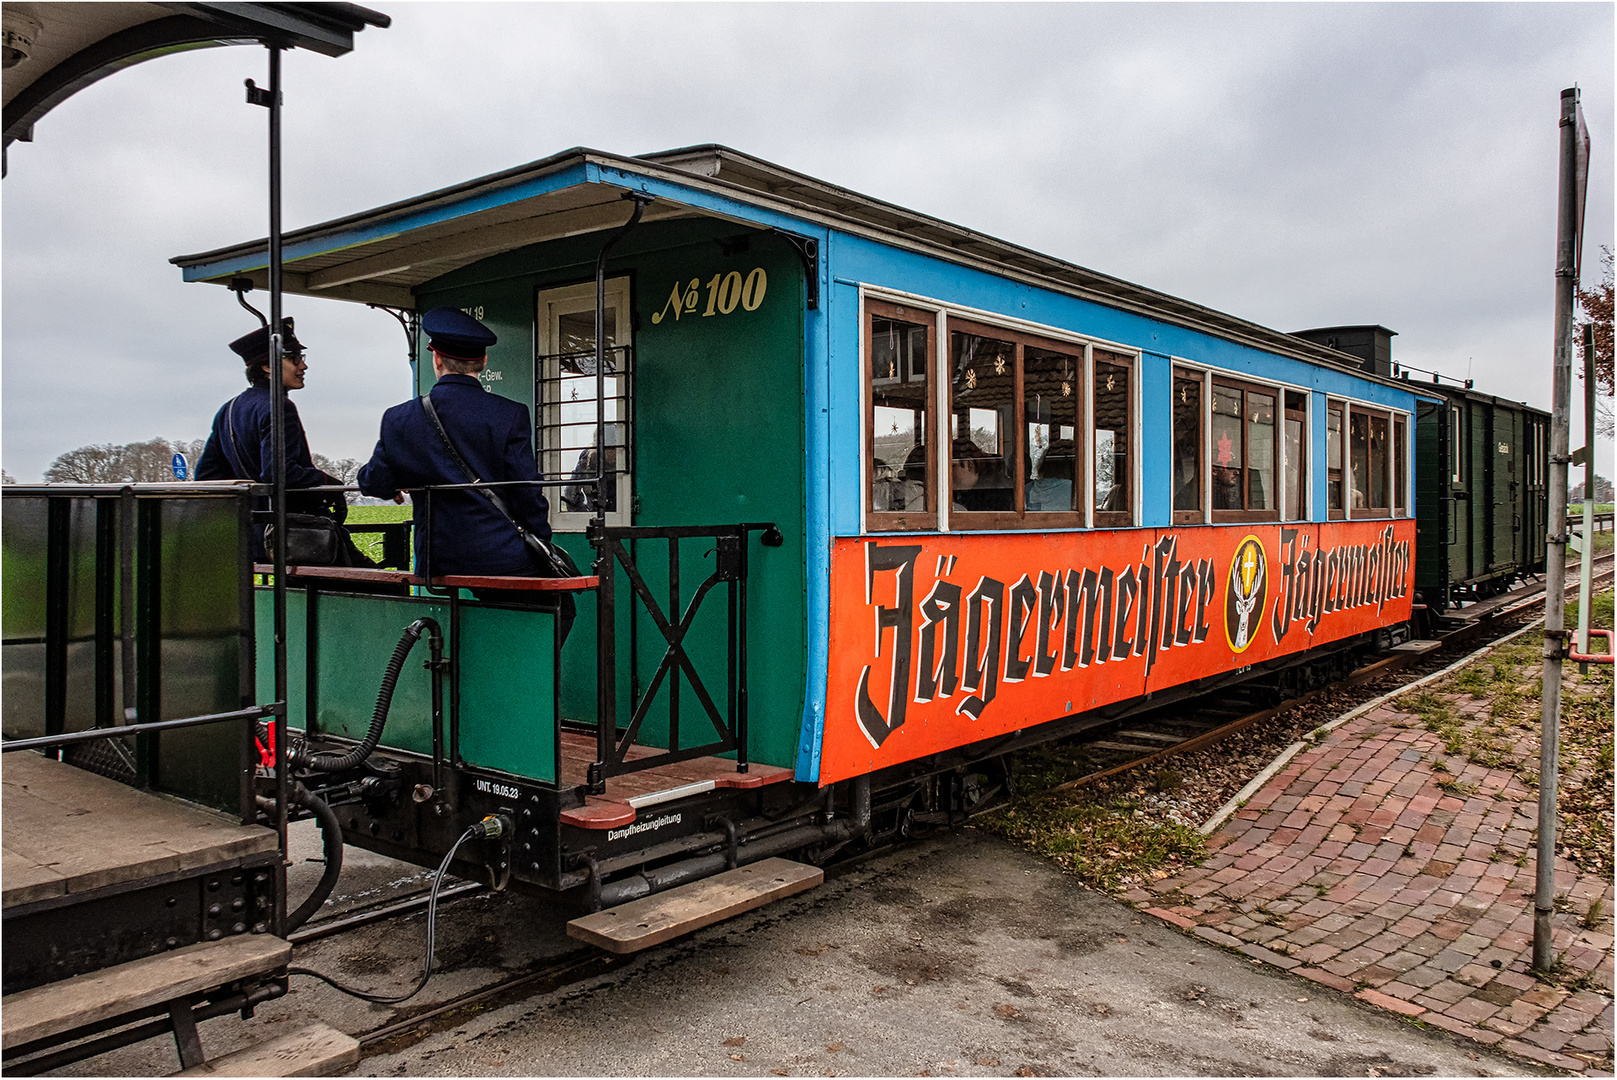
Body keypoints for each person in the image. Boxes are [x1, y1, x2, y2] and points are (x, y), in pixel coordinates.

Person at [357, 308, 574, 638]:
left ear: (437, 360)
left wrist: (397, 485)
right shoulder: (509, 414)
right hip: (500, 556)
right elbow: (526, 492)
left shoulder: (400, 419)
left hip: (438, 560)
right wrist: (539, 540)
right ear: (483, 362)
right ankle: (514, 685)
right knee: (562, 608)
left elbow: (374, 481)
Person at [196, 317, 366, 565]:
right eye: (294, 358)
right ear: (267, 366)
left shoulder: (228, 409)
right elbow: (279, 472)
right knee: (383, 590)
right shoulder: (280, 406)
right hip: (296, 540)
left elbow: (208, 477)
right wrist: (329, 484)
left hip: (252, 541)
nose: (303, 367)